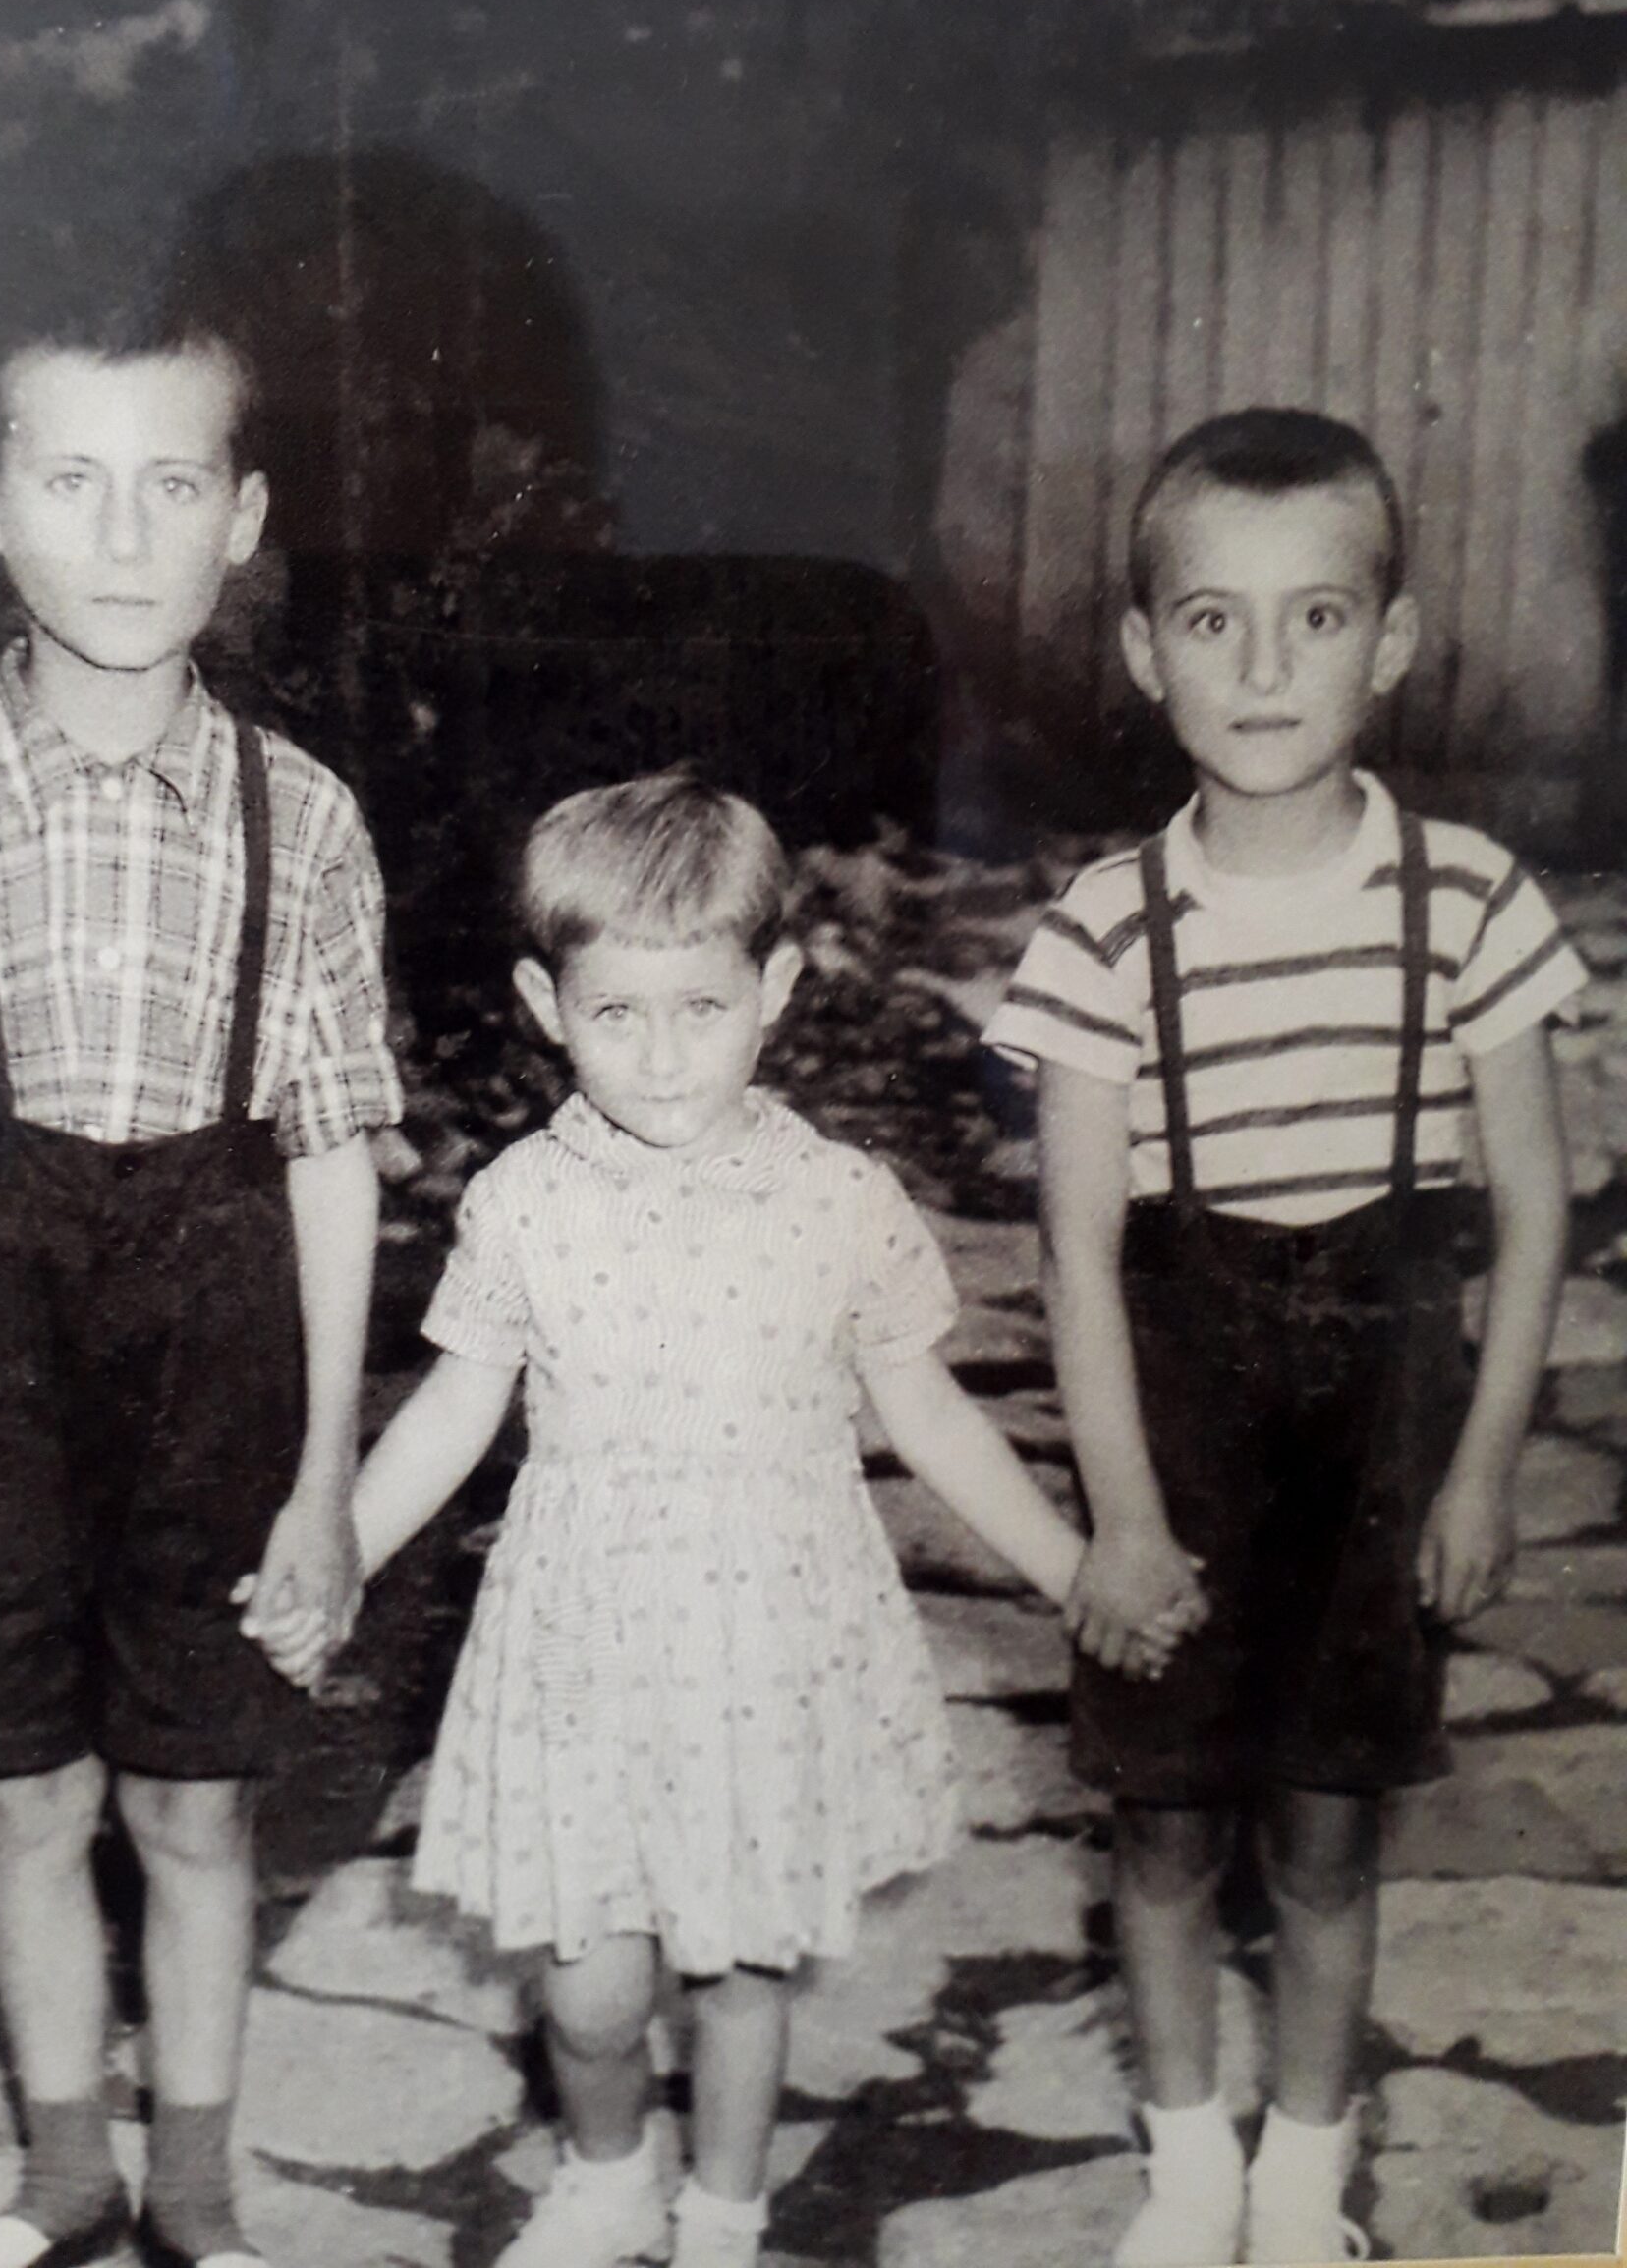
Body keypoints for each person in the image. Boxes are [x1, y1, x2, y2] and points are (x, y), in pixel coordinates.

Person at [248, 766, 1181, 2268]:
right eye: (617, 1013)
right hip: (582, 1649)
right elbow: (453, 1408)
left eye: (701, 1007)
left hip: (767, 1645)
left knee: (745, 1968)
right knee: (590, 1988)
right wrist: (341, 1546)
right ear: (548, 1008)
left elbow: (935, 1415)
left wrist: (1075, 1570)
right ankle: (607, 2171)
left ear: (776, 990)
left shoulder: (841, 1199)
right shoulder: (522, 1203)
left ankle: (725, 2212)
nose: (664, 1053)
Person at [0, 296, 401, 2268]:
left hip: (218, 1360)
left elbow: (334, 1157)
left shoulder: (305, 818)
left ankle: (195, 2191)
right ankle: (66, 2170)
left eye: (172, 486)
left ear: (244, 517)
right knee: (28, 1801)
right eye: (71, 482)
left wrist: (326, 1474)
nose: (123, 537)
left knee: (195, 1804)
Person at [986, 409, 1584, 2267]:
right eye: (1213, 622)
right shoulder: (1103, 933)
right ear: (1144, 651)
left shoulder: (1469, 902)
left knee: (1329, 1834)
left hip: (1379, 1459)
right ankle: (1188, 2177)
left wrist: (1480, 1477)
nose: (1263, 669)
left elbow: (1538, 1212)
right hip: (1182, 1449)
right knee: (1166, 1832)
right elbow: (1079, 1256)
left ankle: (1305, 2179)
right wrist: (1121, 1520)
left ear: (1389, 644)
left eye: (1315, 619)